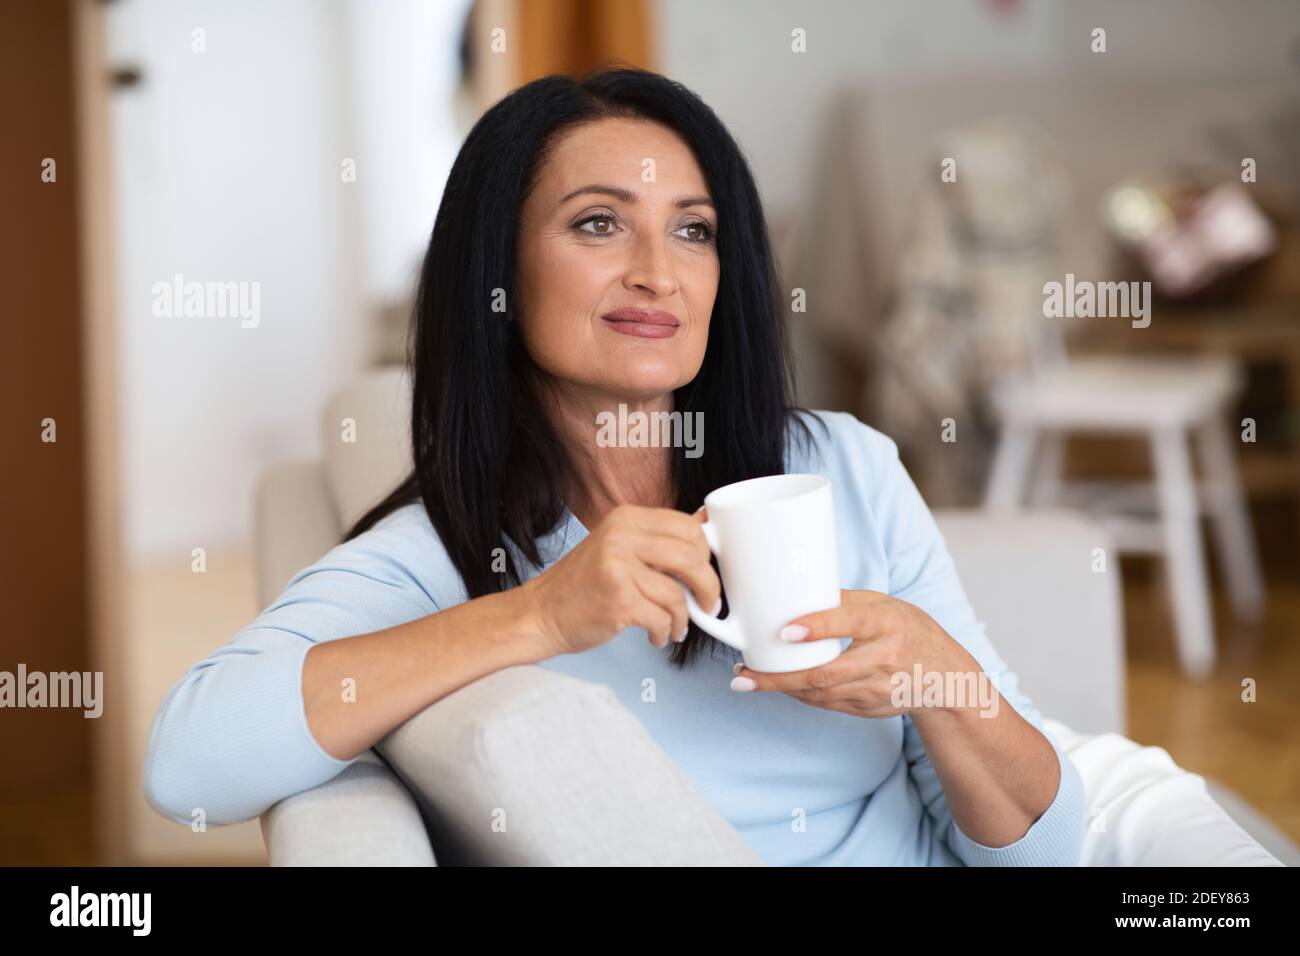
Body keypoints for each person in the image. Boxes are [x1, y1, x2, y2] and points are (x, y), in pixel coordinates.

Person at [144, 67, 1086, 866]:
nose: (657, 273)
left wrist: (936, 672)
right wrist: (542, 614)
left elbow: (1048, 844)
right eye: (598, 224)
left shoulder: (845, 466)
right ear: (499, 274)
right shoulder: (444, 552)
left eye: (693, 229)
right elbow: (186, 768)